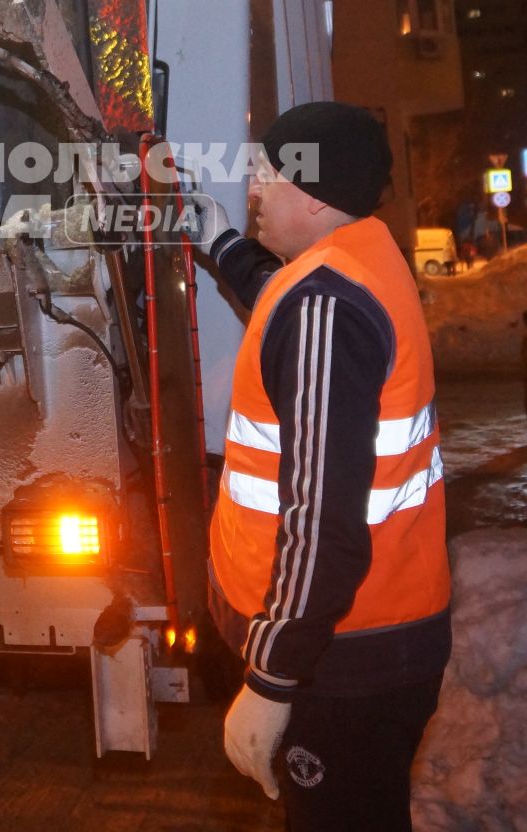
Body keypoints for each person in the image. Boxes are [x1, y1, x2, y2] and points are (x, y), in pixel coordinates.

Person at [190, 102, 451, 832]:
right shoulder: (352, 265)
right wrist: (214, 236)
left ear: (310, 191)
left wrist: (273, 679)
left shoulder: (326, 305)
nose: (254, 192)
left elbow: (323, 520)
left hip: (339, 661)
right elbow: (277, 297)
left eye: (266, 177)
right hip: (376, 636)